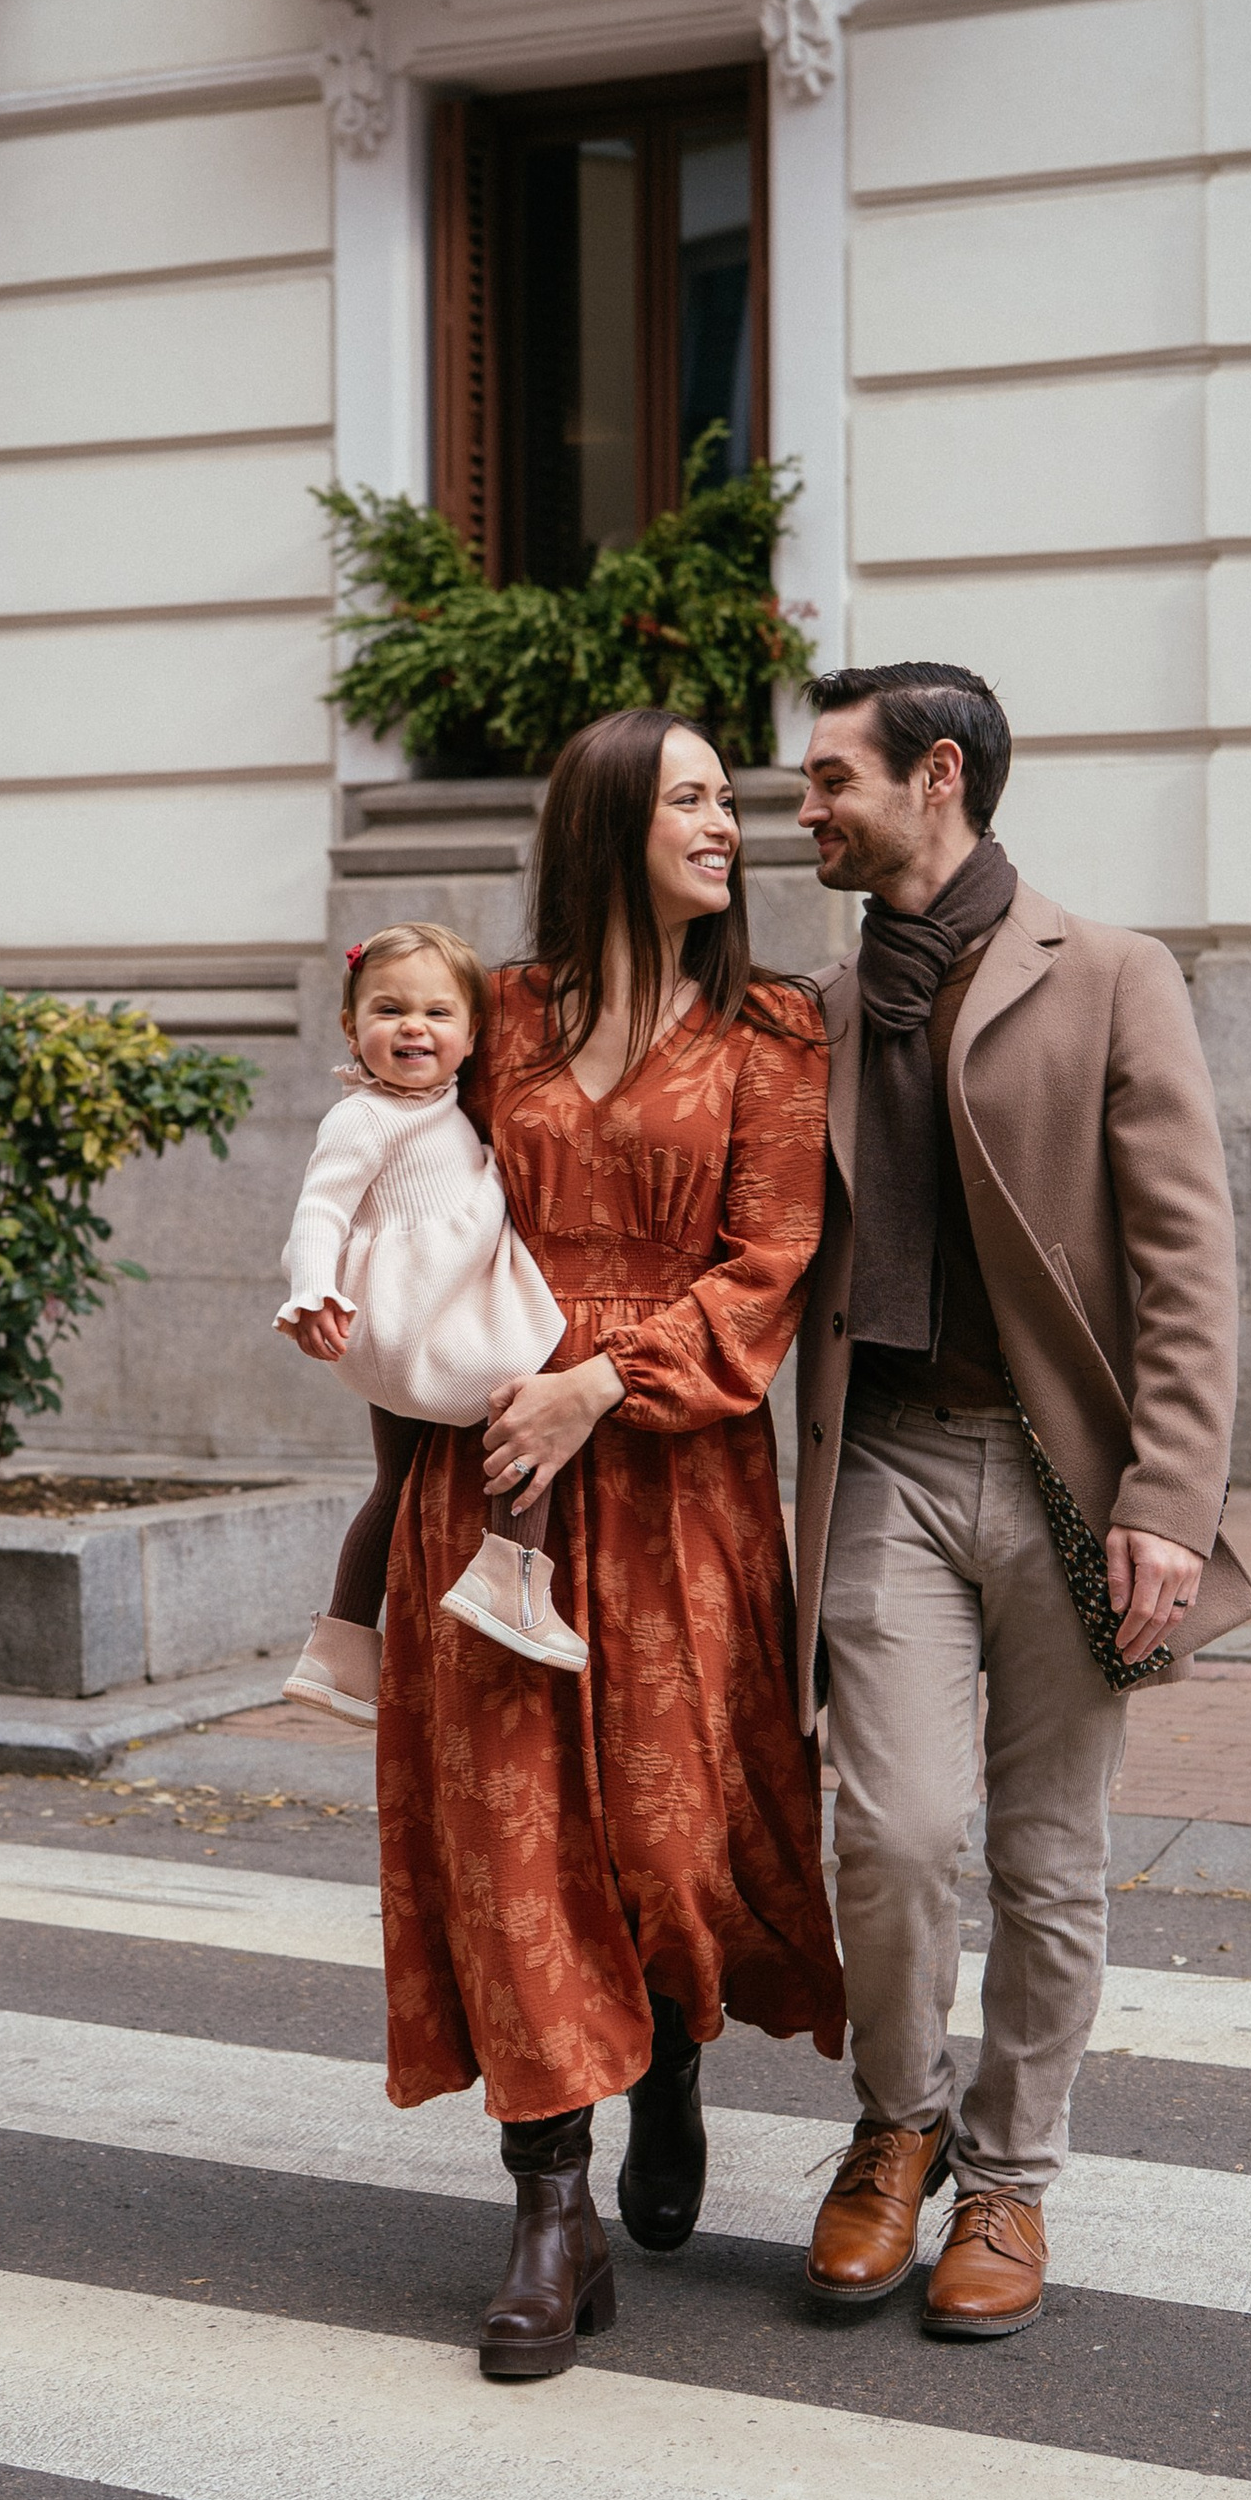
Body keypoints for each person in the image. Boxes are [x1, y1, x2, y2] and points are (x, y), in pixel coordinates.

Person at [790, 661, 1251, 2339]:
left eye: (829, 779)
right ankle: (896, 2124)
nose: (805, 809)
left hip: (1070, 1475)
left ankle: (1010, 2182)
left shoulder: (1111, 973)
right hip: (889, 1465)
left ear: (934, 777)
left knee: (1053, 1858)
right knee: (897, 1831)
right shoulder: (825, 1006)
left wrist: (1171, 1502)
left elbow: (1186, 1262)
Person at [379, 709, 846, 2384]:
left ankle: (671, 2060)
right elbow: (406, 1204)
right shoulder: (491, 1020)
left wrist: (604, 1382)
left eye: (734, 800)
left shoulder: (773, 1034)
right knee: (512, 1843)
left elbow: (768, 1268)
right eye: (698, 798)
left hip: (675, 1480)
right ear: (607, 824)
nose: (734, 822)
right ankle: (547, 2205)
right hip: (493, 1475)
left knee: (666, 1834)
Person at [275, 921, 579, 1720]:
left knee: (392, 1483)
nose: (414, 1027)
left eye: (438, 1014)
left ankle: (338, 1649)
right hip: (417, 1315)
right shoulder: (362, 1117)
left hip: (411, 1318)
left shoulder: (450, 1103)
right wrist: (311, 1290)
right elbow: (318, 1211)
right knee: (525, 1406)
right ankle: (507, 1571)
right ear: (351, 1028)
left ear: (473, 1036)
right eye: (389, 1010)